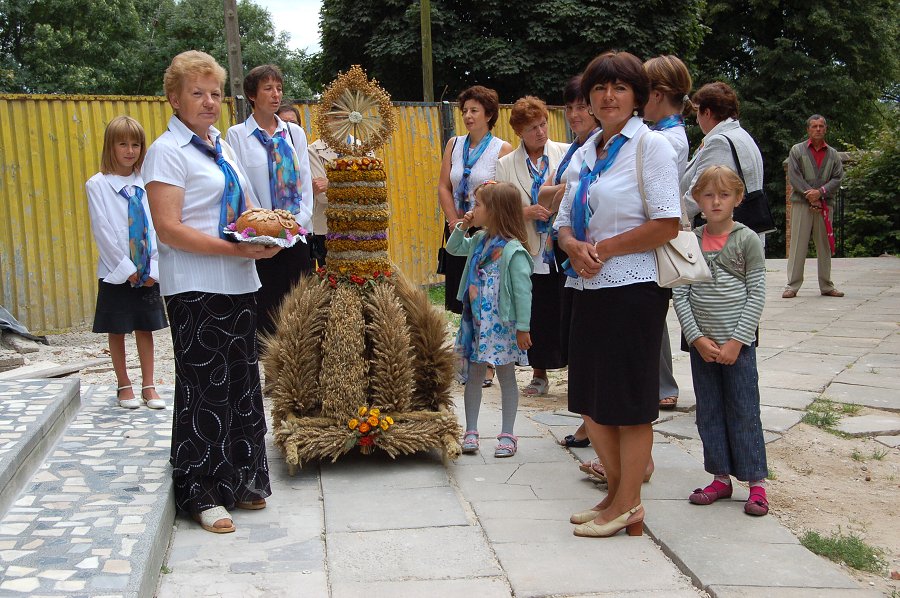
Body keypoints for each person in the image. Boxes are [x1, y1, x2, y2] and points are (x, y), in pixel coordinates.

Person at [143, 50, 280, 535]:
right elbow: (168, 228)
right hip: (196, 285)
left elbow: (241, 212)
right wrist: (233, 249)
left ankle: (241, 479)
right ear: (174, 98)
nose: (208, 102)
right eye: (196, 93)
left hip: (239, 280)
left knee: (241, 383)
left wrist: (261, 237)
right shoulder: (167, 150)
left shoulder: (221, 146)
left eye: (215, 93)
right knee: (204, 388)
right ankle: (200, 491)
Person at [556, 51, 680, 538]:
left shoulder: (651, 148)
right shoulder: (588, 150)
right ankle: (612, 496)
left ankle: (630, 503)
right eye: (600, 88)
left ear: (638, 97)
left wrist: (604, 247)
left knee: (628, 400)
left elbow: (666, 223)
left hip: (634, 289)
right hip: (587, 284)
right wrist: (570, 243)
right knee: (589, 396)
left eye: (620, 88)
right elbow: (564, 219)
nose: (608, 97)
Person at [672, 165, 769, 516]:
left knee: (744, 409)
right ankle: (720, 477)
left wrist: (737, 341)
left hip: (737, 346)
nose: (715, 202)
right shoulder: (690, 242)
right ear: (697, 199)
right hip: (703, 347)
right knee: (709, 411)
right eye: (708, 195)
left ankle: (756, 483)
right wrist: (695, 337)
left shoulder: (747, 240)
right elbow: (680, 293)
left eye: (724, 195)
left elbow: (756, 293)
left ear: (737, 199)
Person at [86, 115, 167, 410]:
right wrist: (128, 270)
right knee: (118, 328)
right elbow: (103, 231)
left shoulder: (148, 183)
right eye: (123, 144)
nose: (130, 150)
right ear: (111, 146)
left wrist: (151, 270)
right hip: (116, 272)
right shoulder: (98, 185)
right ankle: (124, 384)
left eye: (135, 144)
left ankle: (149, 385)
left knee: (145, 327)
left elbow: (157, 225)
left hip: (148, 271)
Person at [225, 66, 314, 335]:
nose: (276, 95)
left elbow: (305, 184)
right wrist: (267, 231)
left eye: (279, 88)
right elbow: (241, 187)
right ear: (252, 95)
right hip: (260, 241)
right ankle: (269, 377)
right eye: (268, 88)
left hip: (296, 237)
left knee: (299, 318)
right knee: (265, 319)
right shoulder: (237, 135)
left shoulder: (294, 134)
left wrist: (293, 227)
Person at [448, 181, 533, 458]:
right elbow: (453, 248)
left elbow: (523, 293)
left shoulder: (512, 250)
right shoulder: (480, 241)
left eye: (478, 205)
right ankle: (471, 430)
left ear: (495, 211)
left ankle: (508, 433)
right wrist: (463, 224)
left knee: (507, 376)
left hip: (501, 325)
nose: (474, 209)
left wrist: (523, 328)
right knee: (474, 375)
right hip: (476, 323)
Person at [438, 85, 513, 388]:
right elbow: (444, 185)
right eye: (465, 110)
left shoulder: (502, 148)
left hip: (486, 230)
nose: (467, 116)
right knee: (464, 296)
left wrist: (485, 222)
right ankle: (467, 354)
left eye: (474, 111)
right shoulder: (454, 144)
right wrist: (454, 219)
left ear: (489, 115)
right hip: (459, 226)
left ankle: (490, 362)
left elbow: (503, 194)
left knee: (486, 295)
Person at [496, 96, 569, 397]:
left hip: (562, 244)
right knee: (536, 308)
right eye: (532, 128)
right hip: (529, 247)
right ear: (519, 133)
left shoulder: (565, 153)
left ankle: (574, 367)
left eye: (542, 125)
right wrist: (524, 212)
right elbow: (500, 210)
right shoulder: (505, 166)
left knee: (568, 307)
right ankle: (539, 374)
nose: (540, 132)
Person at [545, 76, 602, 449]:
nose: (575, 114)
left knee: (595, 353)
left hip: (599, 259)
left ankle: (595, 427)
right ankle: (588, 422)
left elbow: (563, 193)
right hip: (569, 260)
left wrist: (565, 191)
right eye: (570, 107)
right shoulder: (574, 151)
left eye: (582, 106)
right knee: (579, 350)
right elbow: (545, 192)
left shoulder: (602, 148)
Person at [643, 54, 694, 411]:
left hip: (658, 234)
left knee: (653, 311)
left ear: (658, 94)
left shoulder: (668, 140)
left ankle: (661, 382)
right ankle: (658, 381)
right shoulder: (662, 134)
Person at [680, 82, 766, 245]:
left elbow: (699, 193)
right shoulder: (741, 135)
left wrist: (671, 221)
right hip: (741, 236)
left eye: (698, 111)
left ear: (707, 112)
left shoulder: (721, 142)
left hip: (724, 242)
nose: (697, 120)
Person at [783, 115, 844, 298]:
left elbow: (838, 177)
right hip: (802, 203)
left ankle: (826, 285)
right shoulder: (797, 150)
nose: (818, 129)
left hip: (825, 204)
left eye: (821, 126)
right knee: (798, 245)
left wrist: (821, 193)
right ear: (808, 129)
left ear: (825, 129)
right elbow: (794, 176)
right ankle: (792, 286)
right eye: (814, 126)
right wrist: (810, 194)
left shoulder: (833, 154)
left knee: (824, 245)